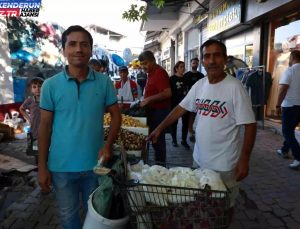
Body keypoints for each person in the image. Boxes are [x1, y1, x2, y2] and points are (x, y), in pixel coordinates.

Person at [148, 39, 257, 220]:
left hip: (225, 166)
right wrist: (160, 128)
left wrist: (244, 159)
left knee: (223, 210)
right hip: (199, 162)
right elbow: (180, 109)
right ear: (202, 60)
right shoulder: (200, 85)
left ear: (224, 59)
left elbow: (250, 125)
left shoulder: (235, 88)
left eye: (217, 55)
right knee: (200, 207)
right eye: (207, 56)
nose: (212, 60)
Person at [38, 25, 121, 229]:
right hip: (61, 168)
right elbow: (45, 127)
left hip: (95, 166)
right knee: (68, 217)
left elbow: (116, 115)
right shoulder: (50, 85)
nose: (78, 49)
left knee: (96, 216)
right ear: (64, 50)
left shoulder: (104, 83)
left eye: (84, 44)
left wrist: (108, 145)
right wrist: (42, 166)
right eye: (72, 44)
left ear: (91, 50)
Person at [138, 50, 171, 165]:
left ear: (153, 61)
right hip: (153, 111)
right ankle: (158, 163)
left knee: (158, 139)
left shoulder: (159, 73)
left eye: (145, 63)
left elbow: (167, 93)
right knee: (154, 139)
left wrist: (149, 99)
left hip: (159, 112)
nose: (143, 66)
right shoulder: (150, 73)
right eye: (141, 64)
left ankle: (161, 165)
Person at [276, 50, 300, 169]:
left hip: (290, 106)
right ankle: (284, 150)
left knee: (287, 131)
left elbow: (282, 89)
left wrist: (277, 105)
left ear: (292, 58)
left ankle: (298, 157)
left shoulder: (290, 71)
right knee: (290, 130)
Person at [19, 77, 44, 159]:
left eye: (40, 86)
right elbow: (21, 109)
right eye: (34, 87)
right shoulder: (30, 100)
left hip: (46, 127)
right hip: (34, 127)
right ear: (31, 89)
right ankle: (38, 165)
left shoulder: (47, 99)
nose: (37, 89)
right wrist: (29, 118)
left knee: (46, 148)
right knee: (36, 149)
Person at [183, 57, 205, 142]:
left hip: (199, 99)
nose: (195, 64)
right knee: (189, 116)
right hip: (189, 99)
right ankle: (190, 131)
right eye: (193, 63)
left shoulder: (201, 75)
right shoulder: (186, 75)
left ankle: (194, 131)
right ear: (191, 64)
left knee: (196, 116)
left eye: (196, 63)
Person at [169, 61, 190, 149]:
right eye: (181, 67)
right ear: (176, 68)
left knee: (185, 123)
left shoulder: (186, 78)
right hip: (175, 104)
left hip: (185, 104)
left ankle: (184, 140)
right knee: (174, 123)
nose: (183, 68)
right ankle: (174, 140)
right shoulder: (172, 79)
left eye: (184, 66)